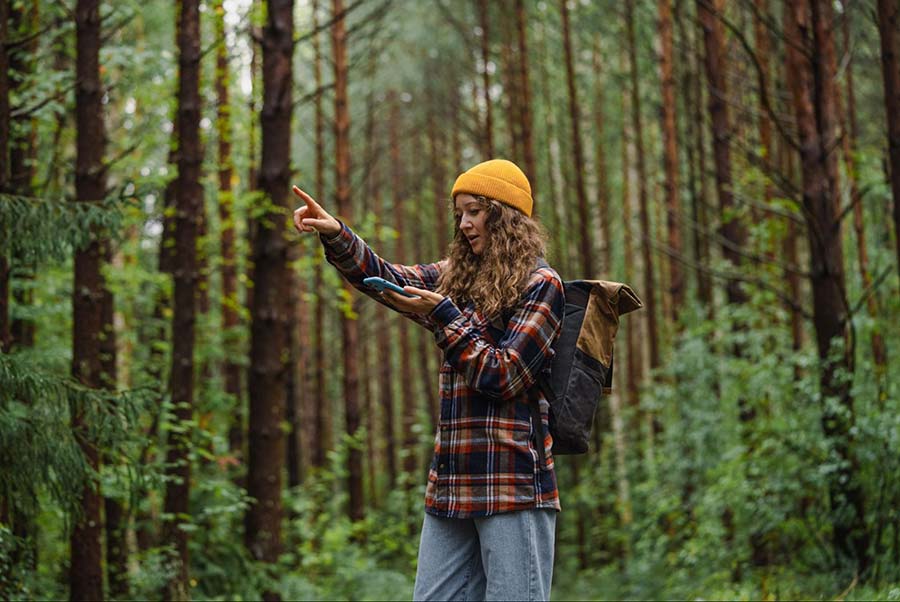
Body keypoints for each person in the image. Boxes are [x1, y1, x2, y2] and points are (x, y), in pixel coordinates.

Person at [293, 159, 565, 601]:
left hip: (512, 484)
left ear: (505, 215)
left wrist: (443, 316)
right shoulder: (456, 279)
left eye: (475, 210)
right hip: (452, 484)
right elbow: (388, 279)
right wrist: (335, 234)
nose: (465, 223)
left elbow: (503, 374)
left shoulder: (541, 284)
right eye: (460, 213)